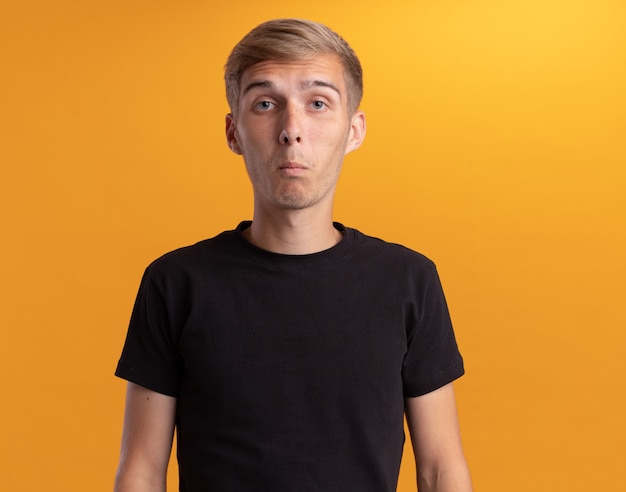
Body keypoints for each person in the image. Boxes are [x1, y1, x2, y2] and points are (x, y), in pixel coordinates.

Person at [114, 18, 472, 492]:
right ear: (234, 132)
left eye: (318, 103)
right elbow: (141, 470)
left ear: (354, 130)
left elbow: (440, 469)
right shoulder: (175, 283)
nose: (291, 130)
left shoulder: (409, 281)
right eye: (265, 104)